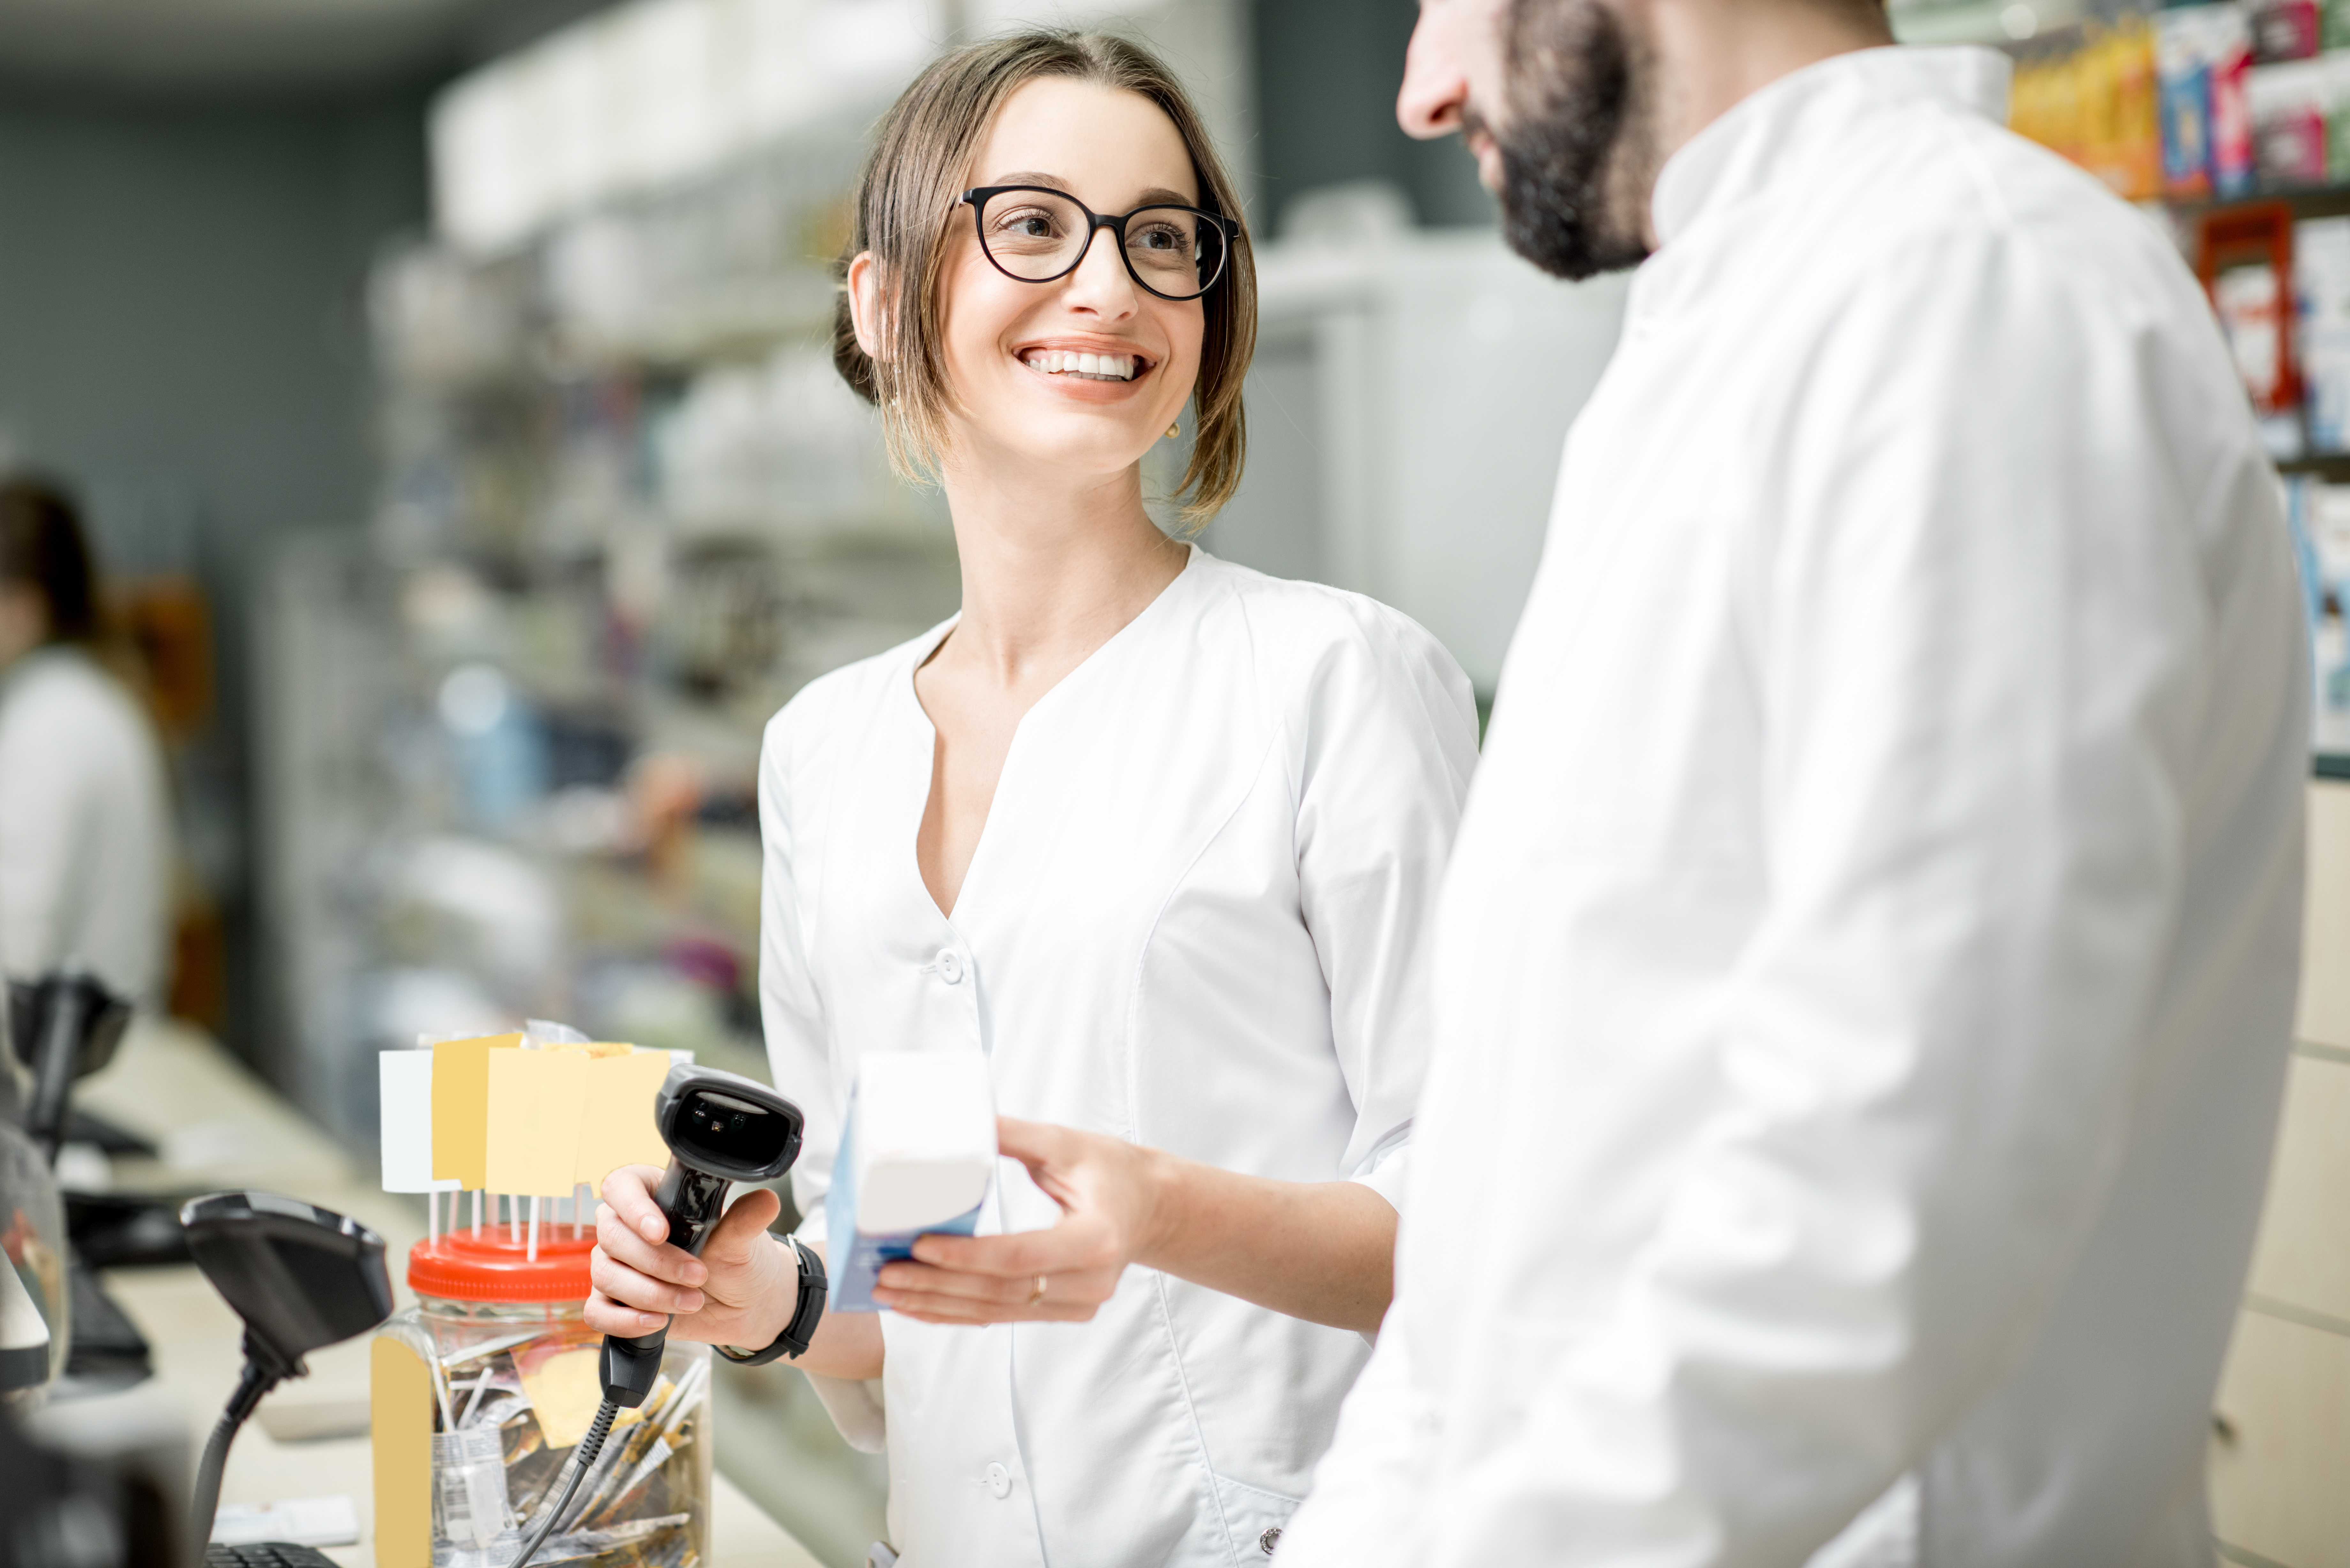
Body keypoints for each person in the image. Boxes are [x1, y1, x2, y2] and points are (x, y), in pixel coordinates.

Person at [1279, 3, 2307, 1565]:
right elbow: (1498, 1224)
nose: (1420, 94)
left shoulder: (1967, 295)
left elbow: (1884, 1205)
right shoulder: (1687, 356)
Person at [585, 30, 1481, 1565]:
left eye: (1158, 236)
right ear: (881, 301)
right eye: (1030, 223)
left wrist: (1163, 1209)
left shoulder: (1337, 679)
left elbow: (1491, 1232)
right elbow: (908, 1281)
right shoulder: (825, 748)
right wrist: (767, 1297)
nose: (1108, 285)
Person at [0, 477, 172, 1006]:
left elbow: (15, 935)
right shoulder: (91, 699)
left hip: (58, 1063)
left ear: (24, 605)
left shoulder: (49, 724)